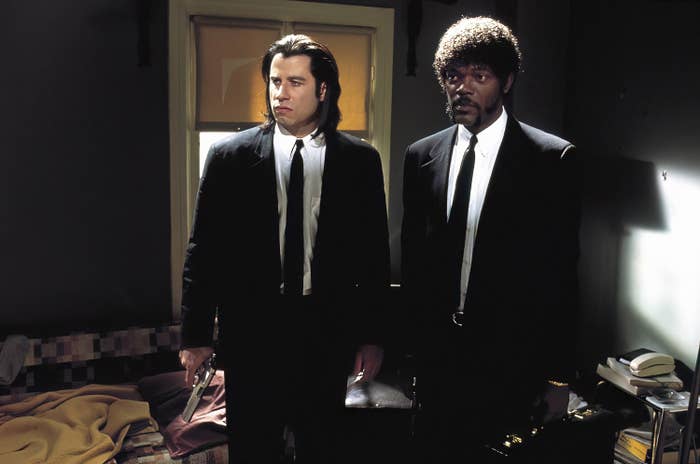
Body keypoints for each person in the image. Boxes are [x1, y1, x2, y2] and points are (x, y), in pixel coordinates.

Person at [179, 34, 390, 464]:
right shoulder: (228, 157)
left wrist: (372, 336)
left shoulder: (359, 161)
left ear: (323, 89)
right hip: (253, 333)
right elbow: (203, 252)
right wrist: (196, 337)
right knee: (254, 450)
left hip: (325, 333)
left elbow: (373, 259)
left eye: (295, 82)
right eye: (275, 82)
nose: (280, 93)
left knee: (323, 448)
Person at [401, 16, 580, 462]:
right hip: (438, 362)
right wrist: (413, 353)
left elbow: (562, 277)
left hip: (511, 363)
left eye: (479, 76)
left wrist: (559, 378)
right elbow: (415, 262)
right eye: (453, 76)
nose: (462, 88)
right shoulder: (421, 156)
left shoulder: (550, 160)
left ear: (507, 81)